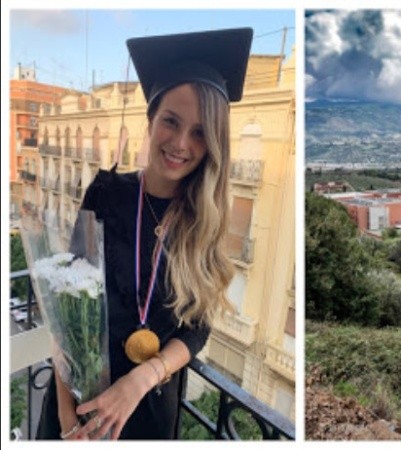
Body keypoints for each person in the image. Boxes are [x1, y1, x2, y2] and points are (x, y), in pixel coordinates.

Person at [36, 27, 253, 440]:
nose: (181, 143)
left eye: (200, 131)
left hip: (147, 411)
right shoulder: (105, 194)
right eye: (171, 121)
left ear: (213, 144)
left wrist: (139, 381)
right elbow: (65, 314)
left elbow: (197, 329)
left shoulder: (204, 219)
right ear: (151, 120)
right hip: (79, 404)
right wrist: (66, 417)